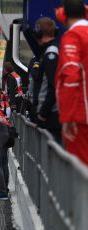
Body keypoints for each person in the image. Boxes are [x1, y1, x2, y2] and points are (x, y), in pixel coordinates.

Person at [55, 0, 88, 165]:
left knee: (80, 169)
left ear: (64, 15)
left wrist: (67, 117)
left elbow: (71, 76)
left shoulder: (73, 36)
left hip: (80, 117)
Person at [33, 17, 62, 143]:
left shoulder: (51, 53)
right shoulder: (50, 51)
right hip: (49, 114)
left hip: (50, 115)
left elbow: (53, 86)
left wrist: (42, 114)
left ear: (40, 33)